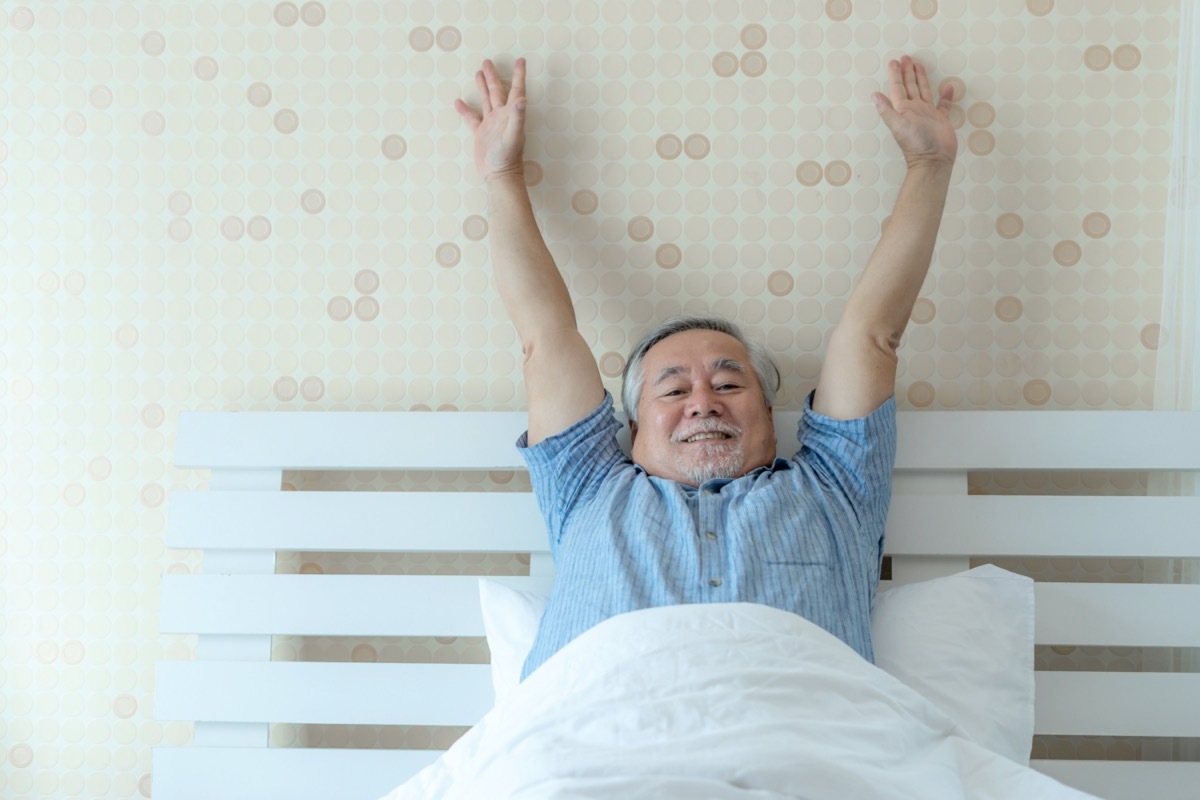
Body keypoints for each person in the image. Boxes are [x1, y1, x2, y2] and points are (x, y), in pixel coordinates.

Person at [453, 54, 958, 680]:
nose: (702, 402)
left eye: (727, 383)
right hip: (600, 752)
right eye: (672, 388)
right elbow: (544, 337)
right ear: (632, 430)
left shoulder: (835, 487)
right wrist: (501, 175)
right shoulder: (587, 487)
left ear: (771, 422)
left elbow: (872, 337)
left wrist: (929, 165)